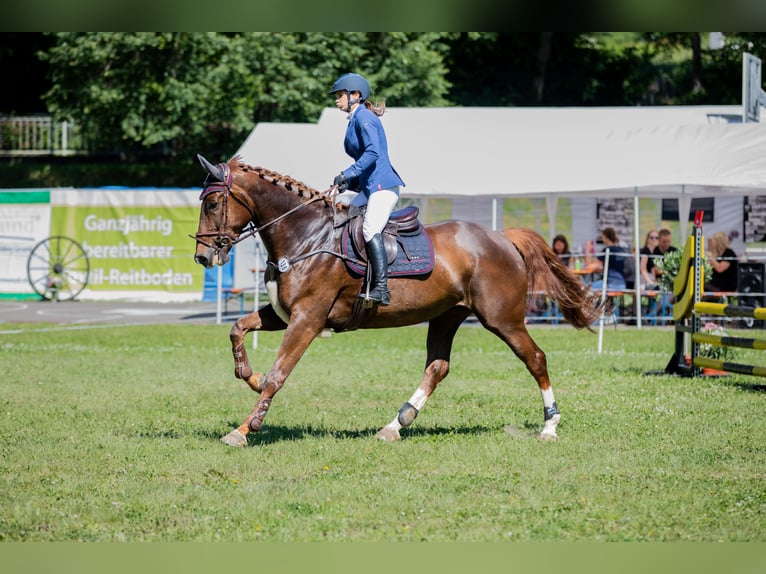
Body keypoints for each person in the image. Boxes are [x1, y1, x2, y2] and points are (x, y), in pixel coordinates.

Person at [330, 72, 405, 306]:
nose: (336, 100)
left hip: (383, 186)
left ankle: (381, 288)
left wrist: (347, 173)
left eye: (340, 95)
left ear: (356, 95)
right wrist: (345, 183)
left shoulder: (364, 118)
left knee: (371, 227)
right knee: (346, 219)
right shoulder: (355, 119)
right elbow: (365, 162)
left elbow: (372, 154)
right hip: (370, 186)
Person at [587, 227, 628, 291]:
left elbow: (590, 266)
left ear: (606, 237)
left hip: (610, 284)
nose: (602, 240)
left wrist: (588, 250)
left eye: (602, 237)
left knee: (588, 287)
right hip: (622, 284)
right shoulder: (621, 250)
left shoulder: (607, 250)